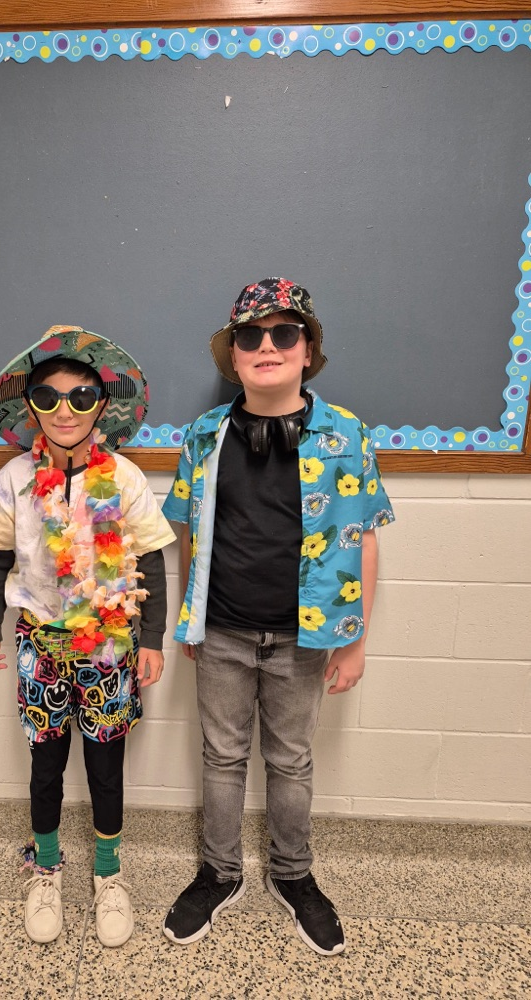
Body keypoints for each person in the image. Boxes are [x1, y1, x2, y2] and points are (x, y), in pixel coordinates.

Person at [161, 277, 394, 956]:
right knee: (221, 757)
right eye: (250, 337)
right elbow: (187, 533)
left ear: (307, 349)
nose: (267, 346)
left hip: (306, 638)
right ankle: (219, 871)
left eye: (284, 334)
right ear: (232, 355)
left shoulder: (347, 435)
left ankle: (293, 875)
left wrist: (354, 644)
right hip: (224, 631)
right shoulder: (204, 436)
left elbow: (366, 538)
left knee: (291, 762)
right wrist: (190, 618)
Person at [0, 325, 175, 947]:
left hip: (111, 643)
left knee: (107, 764)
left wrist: (152, 638)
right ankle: (47, 868)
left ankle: (109, 875)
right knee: (46, 762)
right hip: (39, 642)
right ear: (30, 405)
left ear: (103, 406)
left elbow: (155, 558)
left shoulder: (127, 479)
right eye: (49, 397)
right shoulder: (14, 478)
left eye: (82, 397)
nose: (65, 411)